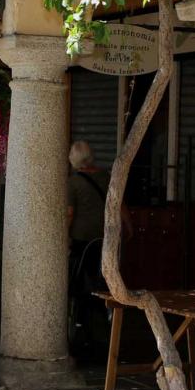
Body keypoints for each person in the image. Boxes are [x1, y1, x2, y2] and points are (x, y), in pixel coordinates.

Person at [67, 141, 112, 358]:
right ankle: (101, 332)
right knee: (101, 286)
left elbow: (69, 213)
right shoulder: (105, 177)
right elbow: (117, 204)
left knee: (81, 288)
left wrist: (63, 237)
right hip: (104, 240)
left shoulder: (73, 182)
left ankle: (84, 333)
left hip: (82, 241)